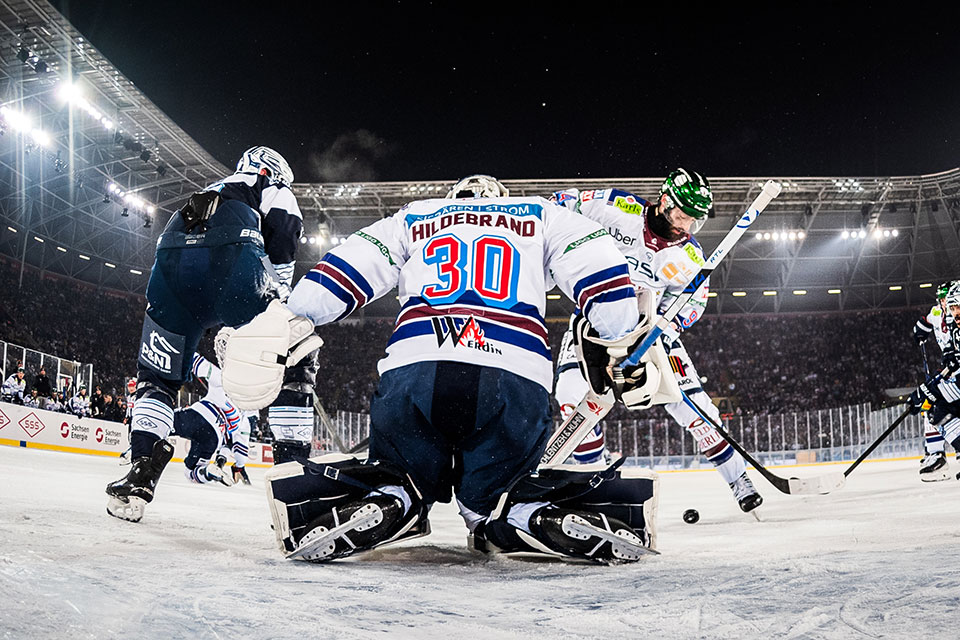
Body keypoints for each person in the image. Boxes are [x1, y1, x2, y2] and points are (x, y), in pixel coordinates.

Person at [223, 174, 659, 564]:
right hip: (512, 377)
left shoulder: (417, 216)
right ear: (500, 198)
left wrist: (290, 317)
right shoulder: (543, 213)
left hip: (415, 371)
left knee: (403, 476)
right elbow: (595, 262)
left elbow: (351, 267)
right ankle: (524, 515)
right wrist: (619, 334)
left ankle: (393, 498)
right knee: (495, 499)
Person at [105, 146, 318, 523]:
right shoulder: (270, 185)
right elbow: (284, 232)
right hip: (232, 264)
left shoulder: (212, 188)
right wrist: (280, 301)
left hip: (171, 267)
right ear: (275, 171)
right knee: (298, 350)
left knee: (156, 379)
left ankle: (140, 469)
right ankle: (295, 485)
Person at [550, 169, 763, 514]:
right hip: (592, 322)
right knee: (571, 398)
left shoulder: (690, 256)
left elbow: (694, 302)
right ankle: (596, 473)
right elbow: (561, 204)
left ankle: (739, 479)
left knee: (694, 406)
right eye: (682, 215)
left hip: (650, 330)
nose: (687, 226)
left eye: (695, 220)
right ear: (665, 202)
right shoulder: (616, 207)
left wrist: (665, 328)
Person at [908, 281, 960, 480]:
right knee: (933, 406)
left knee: (934, 402)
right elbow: (925, 322)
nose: (947, 304)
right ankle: (935, 452)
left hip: (955, 368)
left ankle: (937, 453)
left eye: (952, 301)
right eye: (946, 301)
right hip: (952, 366)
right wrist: (919, 331)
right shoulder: (938, 313)